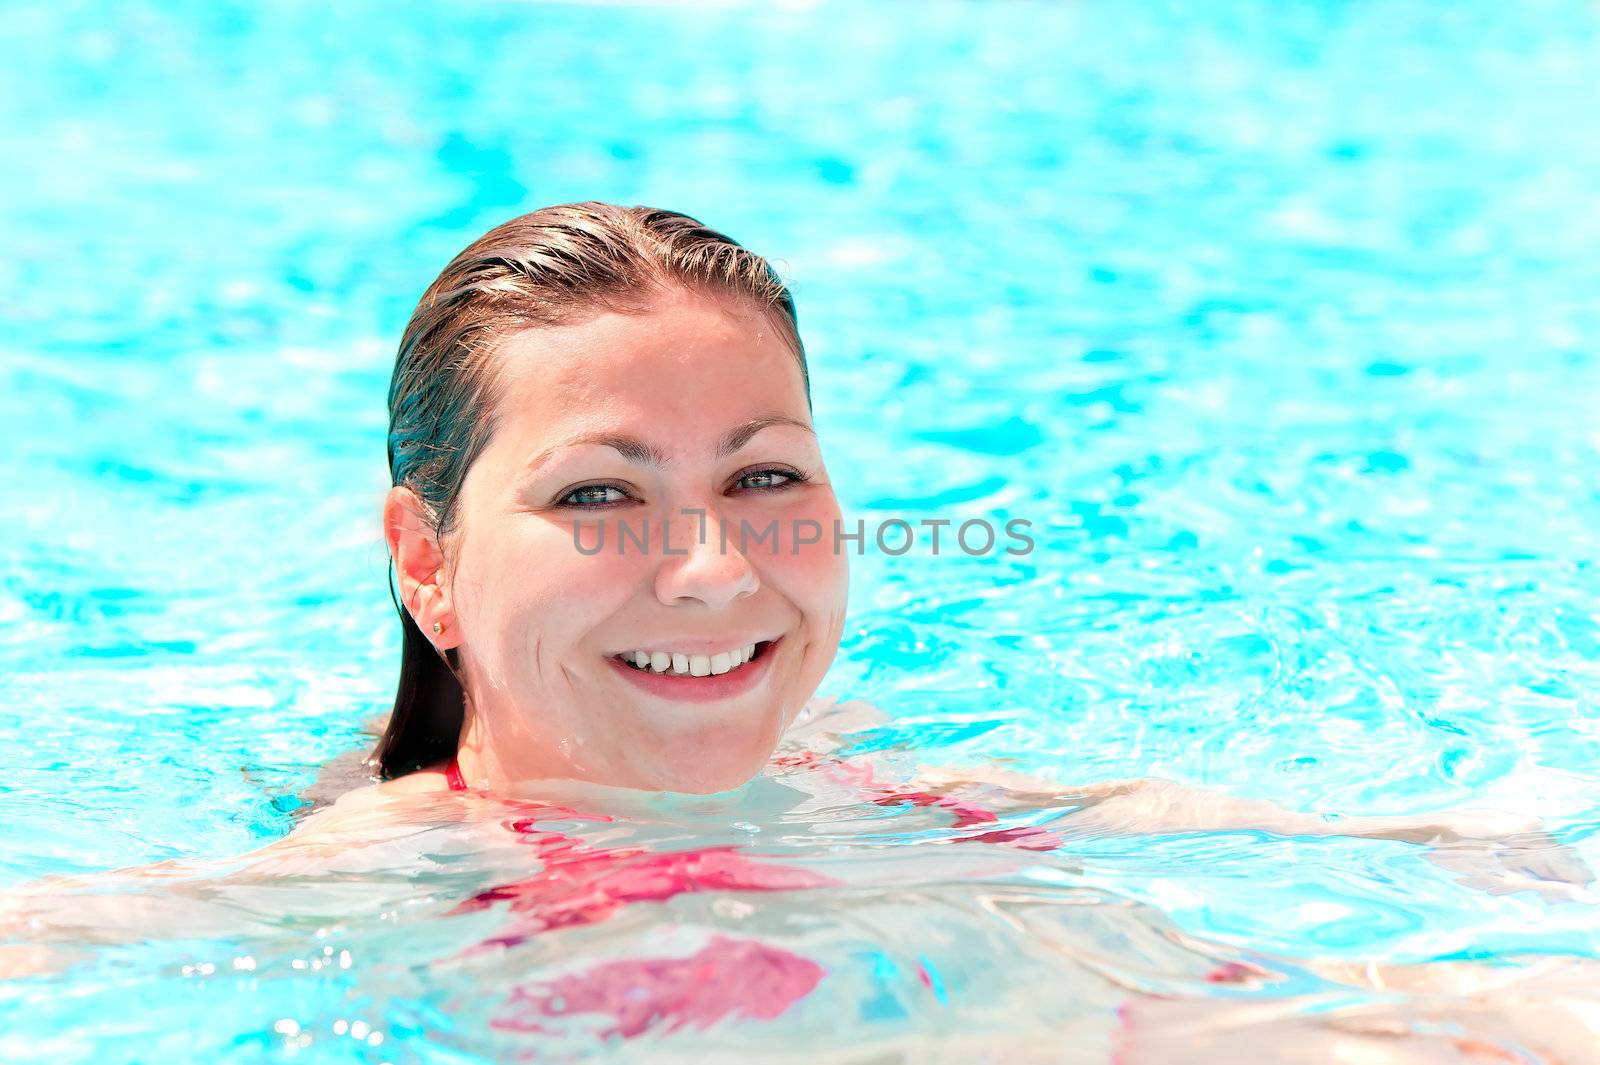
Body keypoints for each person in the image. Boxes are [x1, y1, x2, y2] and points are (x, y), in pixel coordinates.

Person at [4, 204, 1596, 1058]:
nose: (708, 572)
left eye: (764, 475)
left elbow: (1064, 805)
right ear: (426, 560)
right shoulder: (384, 883)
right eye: (600, 494)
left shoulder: (836, 769)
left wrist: (1445, 844)